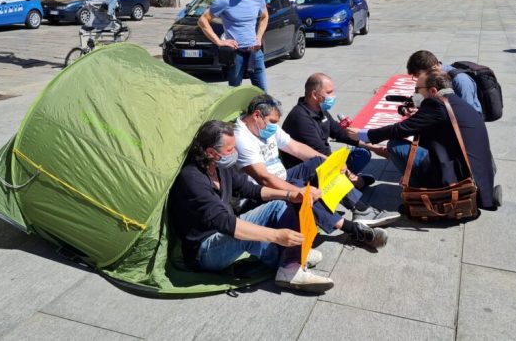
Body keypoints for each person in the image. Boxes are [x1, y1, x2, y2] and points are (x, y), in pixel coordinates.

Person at [168, 120, 334, 293]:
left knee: (278, 205)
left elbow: (250, 189)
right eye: (230, 149)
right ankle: (289, 265)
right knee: (246, 235)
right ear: (211, 152)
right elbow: (226, 223)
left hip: (225, 231)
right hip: (203, 251)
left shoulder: (220, 166)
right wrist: (277, 235)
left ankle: (291, 258)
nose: (235, 153)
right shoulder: (192, 179)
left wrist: (290, 194)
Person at [234, 94, 393, 248]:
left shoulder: (264, 126)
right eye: (272, 122)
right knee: (301, 188)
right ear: (257, 115)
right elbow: (264, 178)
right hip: (260, 192)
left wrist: (330, 162)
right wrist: (299, 191)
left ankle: (359, 208)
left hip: (281, 176)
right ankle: (353, 229)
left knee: (320, 162)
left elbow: (295, 147)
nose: (275, 127)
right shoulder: (242, 138)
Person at [356, 70, 498, 210]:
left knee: (395, 145)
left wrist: (365, 135)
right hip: (478, 172)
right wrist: (420, 115)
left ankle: (419, 195)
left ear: (433, 91)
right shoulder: (453, 101)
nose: (415, 93)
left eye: (418, 89)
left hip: (459, 173)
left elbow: (401, 129)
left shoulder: (437, 105)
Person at [281, 73, 400, 224]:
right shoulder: (300, 119)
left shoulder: (319, 110)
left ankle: (352, 183)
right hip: (305, 171)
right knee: (332, 169)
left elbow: (341, 133)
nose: (333, 96)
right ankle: (360, 210)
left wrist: (375, 147)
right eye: (329, 92)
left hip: (322, 159)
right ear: (315, 95)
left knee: (362, 153)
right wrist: (352, 177)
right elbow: (322, 156)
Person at [198, 0, 269, 91]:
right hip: (236, 55)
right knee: (234, 93)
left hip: (255, 52)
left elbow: (264, 16)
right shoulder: (225, 0)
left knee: (262, 93)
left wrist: (259, 36)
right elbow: (202, 20)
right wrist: (219, 42)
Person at [406, 50, 482, 115]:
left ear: (434, 68)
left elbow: (466, 113)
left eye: (420, 76)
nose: (420, 80)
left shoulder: (460, 81)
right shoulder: (436, 76)